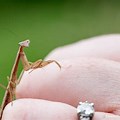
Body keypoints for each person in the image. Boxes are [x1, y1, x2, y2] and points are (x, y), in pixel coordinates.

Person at [2, 34, 120, 120]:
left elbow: (27, 68)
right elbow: (27, 69)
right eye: (25, 44)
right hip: (9, 98)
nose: (27, 44)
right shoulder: (20, 56)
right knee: (14, 89)